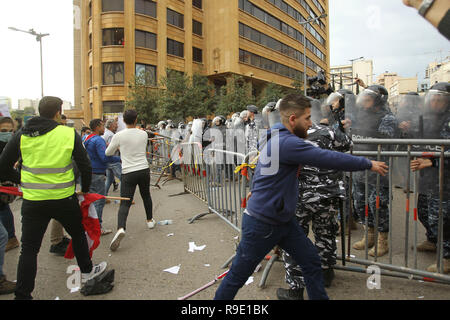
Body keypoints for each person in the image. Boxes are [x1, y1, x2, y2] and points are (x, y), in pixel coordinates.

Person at [213, 94, 388, 300]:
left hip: (283, 220)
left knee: (311, 261)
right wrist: (368, 164)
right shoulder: (288, 143)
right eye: (307, 118)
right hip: (263, 223)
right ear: (293, 119)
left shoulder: (273, 136)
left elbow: (263, 170)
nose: (310, 123)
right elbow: (327, 157)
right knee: (237, 276)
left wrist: (257, 189)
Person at [0, 96, 107, 300]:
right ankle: (87, 274)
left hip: (33, 201)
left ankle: (22, 295)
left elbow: (3, 167)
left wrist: (22, 180)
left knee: (29, 249)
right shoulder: (67, 133)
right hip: (64, 199)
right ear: (58, 112)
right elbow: (84, 165)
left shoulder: (23, 134)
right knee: (78, 234)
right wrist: (84, 189)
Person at [277, 97, 353, 300]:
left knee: (294, 241)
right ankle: (327, 273)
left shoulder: (285, 136)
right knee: (325, 234)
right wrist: (342, 128)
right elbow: (347, 145)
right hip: (327, 195)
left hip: (298, 197)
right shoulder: (327, 131)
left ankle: (295, 290)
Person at [351, 85, 398, 257]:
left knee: (377, 205)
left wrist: (358, 131)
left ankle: (382, 241)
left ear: (379, 100)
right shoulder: (362, 116)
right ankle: (369, 234)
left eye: (368, 99)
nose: (364, 102)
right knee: (361, 202)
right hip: (362, 167)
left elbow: (384, 140)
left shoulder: (388, 118)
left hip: (378, 169)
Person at [410, 82, 450, 273]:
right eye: (432, 98)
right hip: (427, 178)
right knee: (425, 213)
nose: (435, 102)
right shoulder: (424, 119)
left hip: (445, 180)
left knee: (443, 220)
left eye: (439, 99)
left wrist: (433, 162)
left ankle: (447, 258)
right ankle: (433, 240)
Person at [106, 109, 155, 252]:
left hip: (128, 171)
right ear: (136, 119)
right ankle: (150, 221)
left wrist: (120, 147)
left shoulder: (119, 136)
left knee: (125, 202)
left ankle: (121, 228)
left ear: (123, 121)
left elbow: (107, 152)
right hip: (143, 169)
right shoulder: (143, 134)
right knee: (146, 195)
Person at [83, 119, 121, 235]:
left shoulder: (86, 138)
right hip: (97, 173)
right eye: (102, 126)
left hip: (88, 172)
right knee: (99, 201)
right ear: (98, 126)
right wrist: (118, 158)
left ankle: (89, 226)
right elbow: (104, 157)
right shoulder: (98, 140)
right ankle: (97, 227)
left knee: (90, 200)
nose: (104, 128)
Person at [0, 117, 19, 252]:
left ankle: (11, 238)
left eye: (10, 130)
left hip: (5, 183)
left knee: (3, 208)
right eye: (4, 130)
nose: (7, 133)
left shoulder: (13, 144)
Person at [103, 119, 121, 197]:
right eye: (115, 124)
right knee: (123, 178)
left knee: (109, 179)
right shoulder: (111, 135)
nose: (117, 126)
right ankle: (124, 196)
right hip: (113, 160)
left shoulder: (106, 133)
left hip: (108, 160)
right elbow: (112, 147)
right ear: (110, 126)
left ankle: (103, 196)